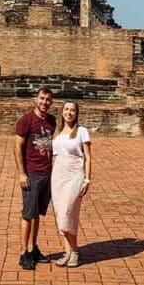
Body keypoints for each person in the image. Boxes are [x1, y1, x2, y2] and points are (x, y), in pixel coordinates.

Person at [14, 86, 56, 270]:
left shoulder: (52, 121)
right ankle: (24, 252)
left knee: (37, 213)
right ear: (36, 99)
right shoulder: (26, 120)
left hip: (46, 173)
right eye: (42, 98)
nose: (44, 102)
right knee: (28, 214)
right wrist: (22, 173)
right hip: (32, 173)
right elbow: (17, 147)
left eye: (48, 99)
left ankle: (34, 248)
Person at [50, 100, 92, 267]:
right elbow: (53, 155)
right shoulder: (57, 132)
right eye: (66, 109)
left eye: (72, 110)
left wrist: (87, 179)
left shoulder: (81, 131)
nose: (69, 113)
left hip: (75, 174)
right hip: (58, 175)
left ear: (76, 113)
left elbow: (88, 157)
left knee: (68, 212)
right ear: (62, 112)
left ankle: (75, 252)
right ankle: (68, 252)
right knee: (60, 213)